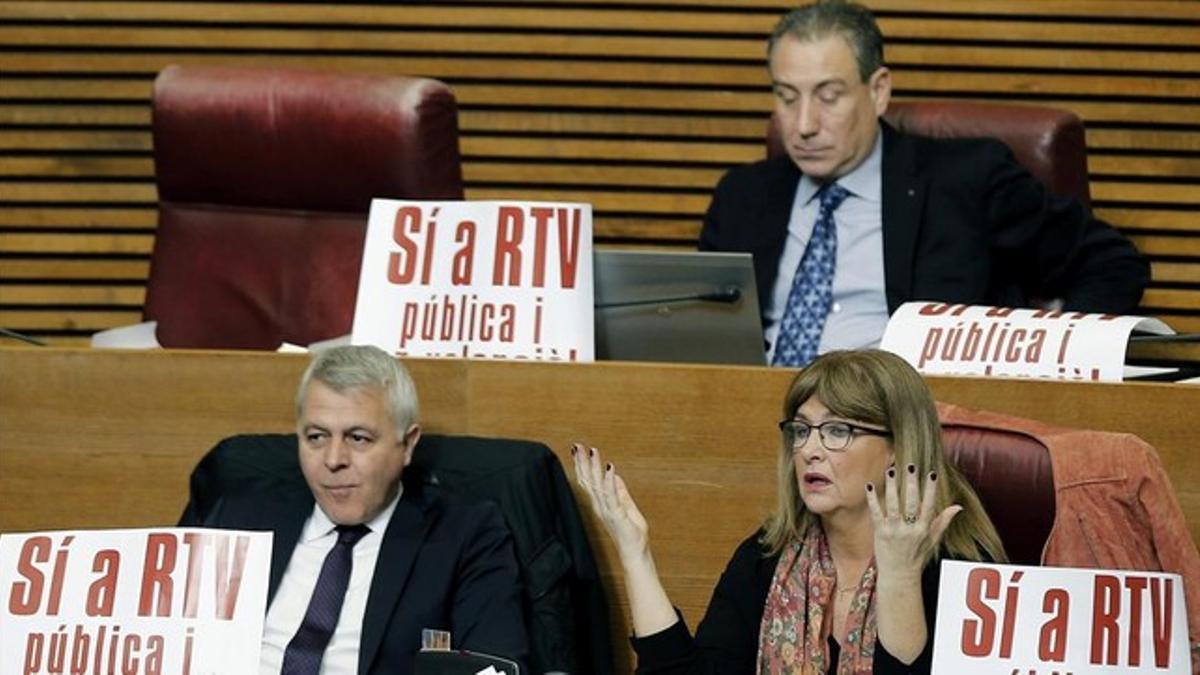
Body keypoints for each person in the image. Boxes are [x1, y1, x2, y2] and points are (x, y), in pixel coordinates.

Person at [699, 0, 1150, 366]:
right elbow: (699, 332)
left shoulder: (966, 181)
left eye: (828, 97)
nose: (803, 124)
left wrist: (1042, 362)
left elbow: (1112, 263)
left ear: (877, 91)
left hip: (905, 427)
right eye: (786, 97)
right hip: (753, 416)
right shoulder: (742, 197)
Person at [572, 349, 1006, 674]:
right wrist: (636, 552)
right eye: (801, 430)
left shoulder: (962, 566)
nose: (809, 451)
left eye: (838, 430)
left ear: (898, 448)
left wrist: (899, 578)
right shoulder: (770, 555)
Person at [198, 345, 528, 674]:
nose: (333, 460)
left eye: (358, 438)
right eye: (316, 437)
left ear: (408, 444)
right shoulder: (235, 520)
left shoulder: (465, 536)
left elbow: (493, 666)